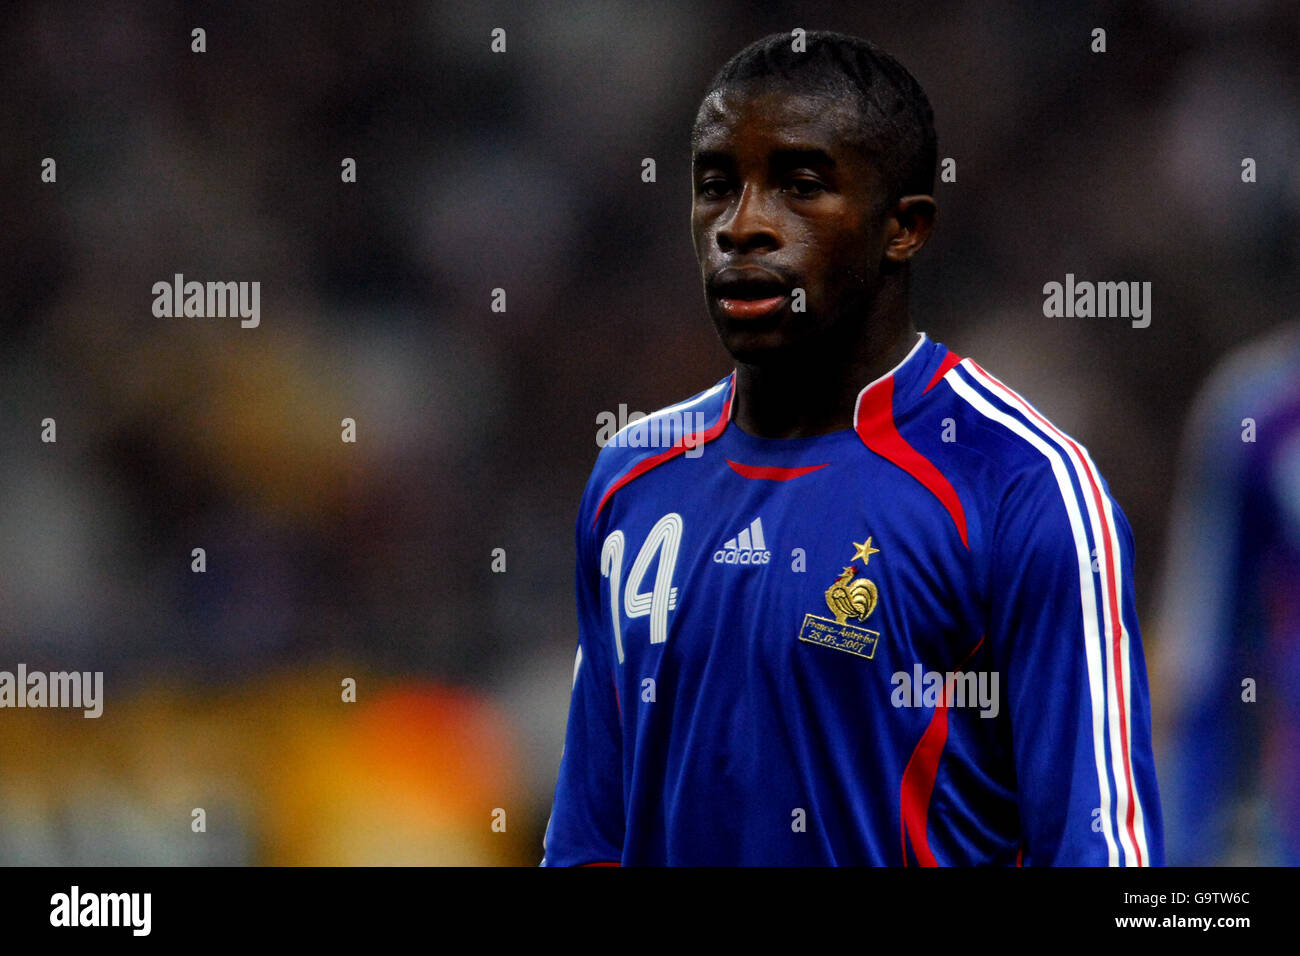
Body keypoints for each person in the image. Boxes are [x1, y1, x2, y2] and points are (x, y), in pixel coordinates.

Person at [542, 31, 1162, 865]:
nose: (742, 227)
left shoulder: (1022, 489)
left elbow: (1106, 856)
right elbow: (589, 838)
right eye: (716, 186)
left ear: (903, 228)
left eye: (800, 187)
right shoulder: (633, 478)